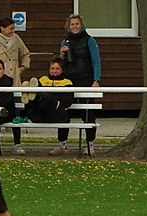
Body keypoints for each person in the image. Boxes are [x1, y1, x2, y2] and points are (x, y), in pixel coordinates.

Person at [0, 17, 31, 155]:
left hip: (15, 82)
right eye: (11, 28)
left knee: (16, 112)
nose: (13, 31)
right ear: (2, 28)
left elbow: (25, 54)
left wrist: (22, 67)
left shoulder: (16, 39)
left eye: (14, 28)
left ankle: (17, 143)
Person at [59, 14, 102, 155]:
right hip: (69, 80)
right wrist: (62, 54)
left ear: (81, 25)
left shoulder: (90, 40)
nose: (75, 26)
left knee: (88, 112)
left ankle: (90, 144)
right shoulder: (65, 41)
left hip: (85, 79)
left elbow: (96, 61)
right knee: (64, 111)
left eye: (77, 24)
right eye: (72, 24)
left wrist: (96, 80)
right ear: (68, 26)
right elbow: (60, 63)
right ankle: (62, 144)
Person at [20, 58, 74, 156]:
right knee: (40, 97)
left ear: (62, 70)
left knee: (46, 96)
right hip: (40, 114)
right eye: (52, 68)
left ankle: (31, 93)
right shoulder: (43, 80)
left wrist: (56, 103)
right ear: (49, 69)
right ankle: (29, 95)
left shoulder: (67, 82)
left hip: (56, 114)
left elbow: (68, 101)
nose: (54, 71)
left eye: (57, 68)